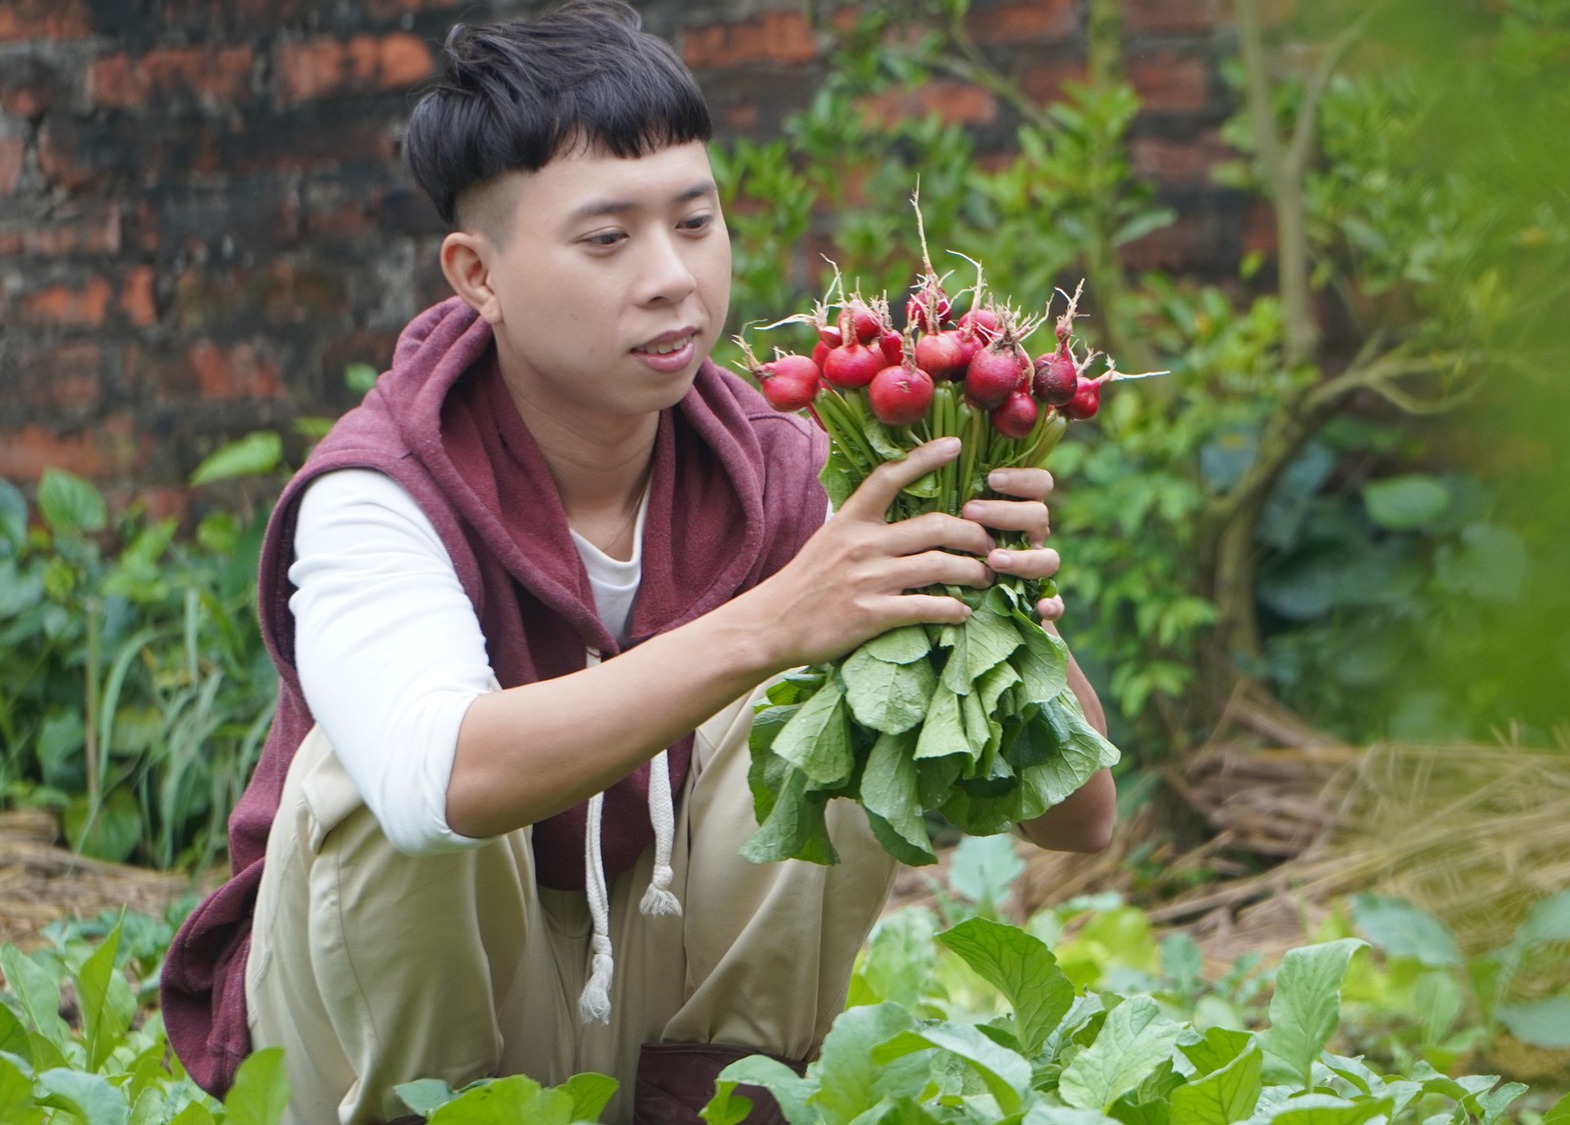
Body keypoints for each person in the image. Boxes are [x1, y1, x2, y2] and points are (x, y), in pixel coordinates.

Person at [157, 3, 1116, 1122]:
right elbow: (434, 790)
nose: (672, 279)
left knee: (845, 676)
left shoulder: (787, 470)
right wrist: (775, 622)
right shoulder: (378, 491)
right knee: (366, 781)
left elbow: (1078, 821)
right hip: (377, 1037)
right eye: (607, 239)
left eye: (695, 222)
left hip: (656, 1000)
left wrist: (992, 596)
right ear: (476, 273)